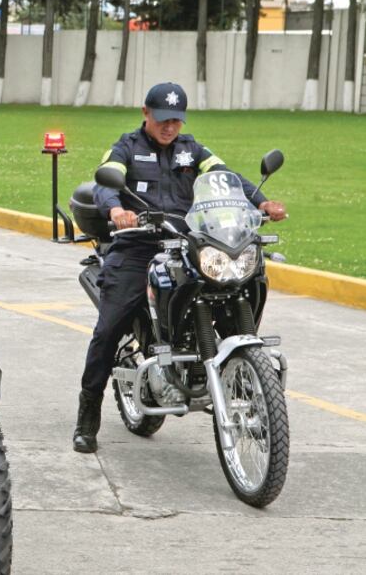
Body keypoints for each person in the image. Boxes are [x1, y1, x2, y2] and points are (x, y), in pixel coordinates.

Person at [73, 82, 287, 454]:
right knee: (109, 329)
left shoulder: (193, 150)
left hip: (187, 244)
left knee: (237, 285)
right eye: (162, 119)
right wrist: (116, 210)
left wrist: (262, 203)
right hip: (138, 245)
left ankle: (243, 379)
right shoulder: (126, 148)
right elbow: (105, 181)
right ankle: (87, 415)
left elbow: (228, 178)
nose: (169, 126)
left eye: (176, 120)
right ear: (146, 113)